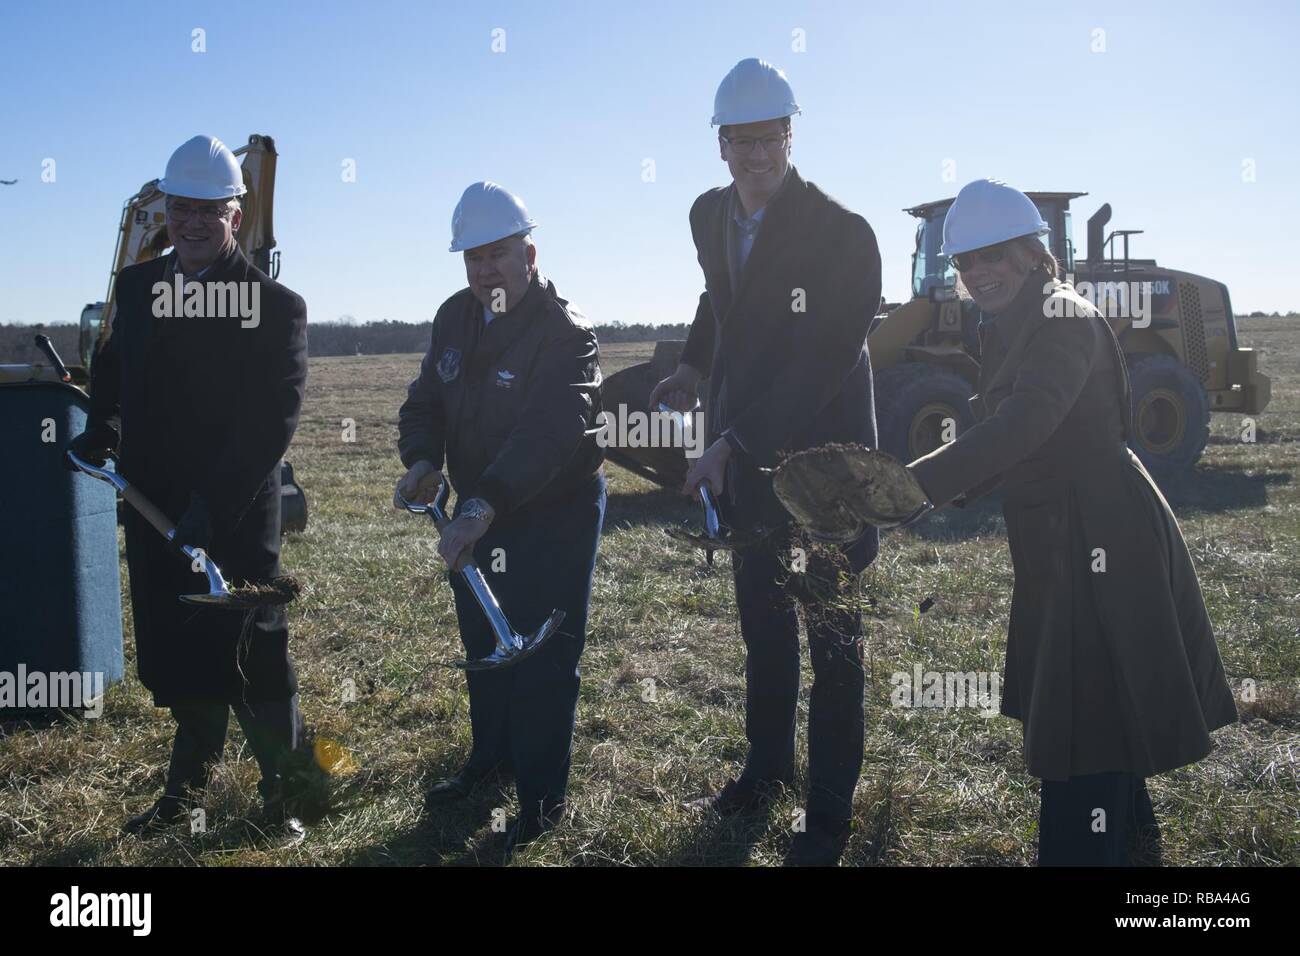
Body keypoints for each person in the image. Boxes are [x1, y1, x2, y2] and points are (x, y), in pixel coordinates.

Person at [906, 178, 1239, 866]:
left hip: (1103, 532)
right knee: (1102, 700)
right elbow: (1015, 436)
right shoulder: (1009, 323)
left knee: (1085, 719)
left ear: (1032, 253)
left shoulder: (1059, 316)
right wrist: (930, 488)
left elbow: (1023, 423)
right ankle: (1134, 848)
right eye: (965, 262)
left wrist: (916, 485)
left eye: (991, 255)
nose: (977, 272)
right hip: (1063, 533)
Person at [650, 58, 883, 866]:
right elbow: (722, 294)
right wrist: (690, 362)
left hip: (827, 471)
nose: (755, 156)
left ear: (792, 134)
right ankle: (767, 770)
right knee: (763, 622)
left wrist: (731, 441)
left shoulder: (845, 235)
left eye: (769, 139)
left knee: (833, 635)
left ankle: (827, 816)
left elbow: (819, 364)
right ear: (720, 144)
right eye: (739, 141)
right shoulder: (708, 214)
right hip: (747, 465)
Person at [66, 135, 309, 841]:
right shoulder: (139, 289)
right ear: (165, 211)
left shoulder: (273, 305)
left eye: (209, 210)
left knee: (255, 654)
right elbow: (113, 371)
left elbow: (274, 418)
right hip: (153, 506)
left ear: (236, 215)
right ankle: (186, 794)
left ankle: (286, 796)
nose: (192, 222)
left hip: (232, 514)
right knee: (179, 649)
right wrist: (102, 428)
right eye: (180, 208)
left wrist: (217, 503)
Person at [396, 182, 605, 859]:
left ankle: (542, 802)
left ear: (530, 253)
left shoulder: (565, 334)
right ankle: (490, 763)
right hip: (477, 514)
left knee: (544, 655)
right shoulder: (455, 317)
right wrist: (423, 458)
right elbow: (426, 396)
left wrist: (483, 505)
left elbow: (548, 434)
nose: (486, 269)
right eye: (474, 257)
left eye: (499, 254)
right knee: (486, 641)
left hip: (551, 512)